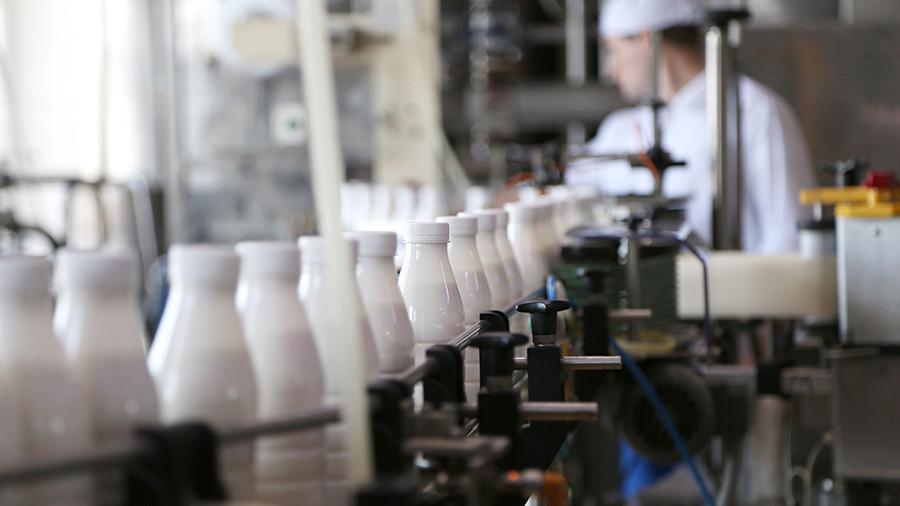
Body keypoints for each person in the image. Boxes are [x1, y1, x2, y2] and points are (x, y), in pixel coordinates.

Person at [565, 0, 816, 253]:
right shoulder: (620, 129)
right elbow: (567, 195)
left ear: (645, 39)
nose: (611, 70)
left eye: (612, 50)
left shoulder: (755, 112)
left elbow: (789, 241)